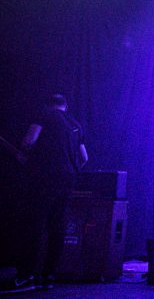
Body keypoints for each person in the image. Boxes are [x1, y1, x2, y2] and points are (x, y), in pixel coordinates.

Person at [14, 94, 88, 290]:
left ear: (48, 105)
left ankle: (26, 274)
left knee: (34, 224)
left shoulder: (44, 116)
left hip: (45, 177)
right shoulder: (76, 124)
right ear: (66, 106)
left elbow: (29, 141)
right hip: (68, 179)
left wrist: (25, 157)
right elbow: (84, 157)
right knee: (58, 226)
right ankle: (49, 276)